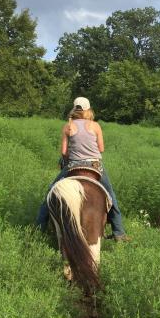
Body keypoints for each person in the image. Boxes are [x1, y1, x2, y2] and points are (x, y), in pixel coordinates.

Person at [36, 97, 131, 242]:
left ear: (75, 109)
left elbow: (63, 152)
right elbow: (101, 148)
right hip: (95, 166)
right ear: (88, 109)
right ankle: (119, 232)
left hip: (74, 165)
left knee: (50, 194)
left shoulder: (68, 126)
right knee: (111, 196)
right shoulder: (95, 126)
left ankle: (38, 230)